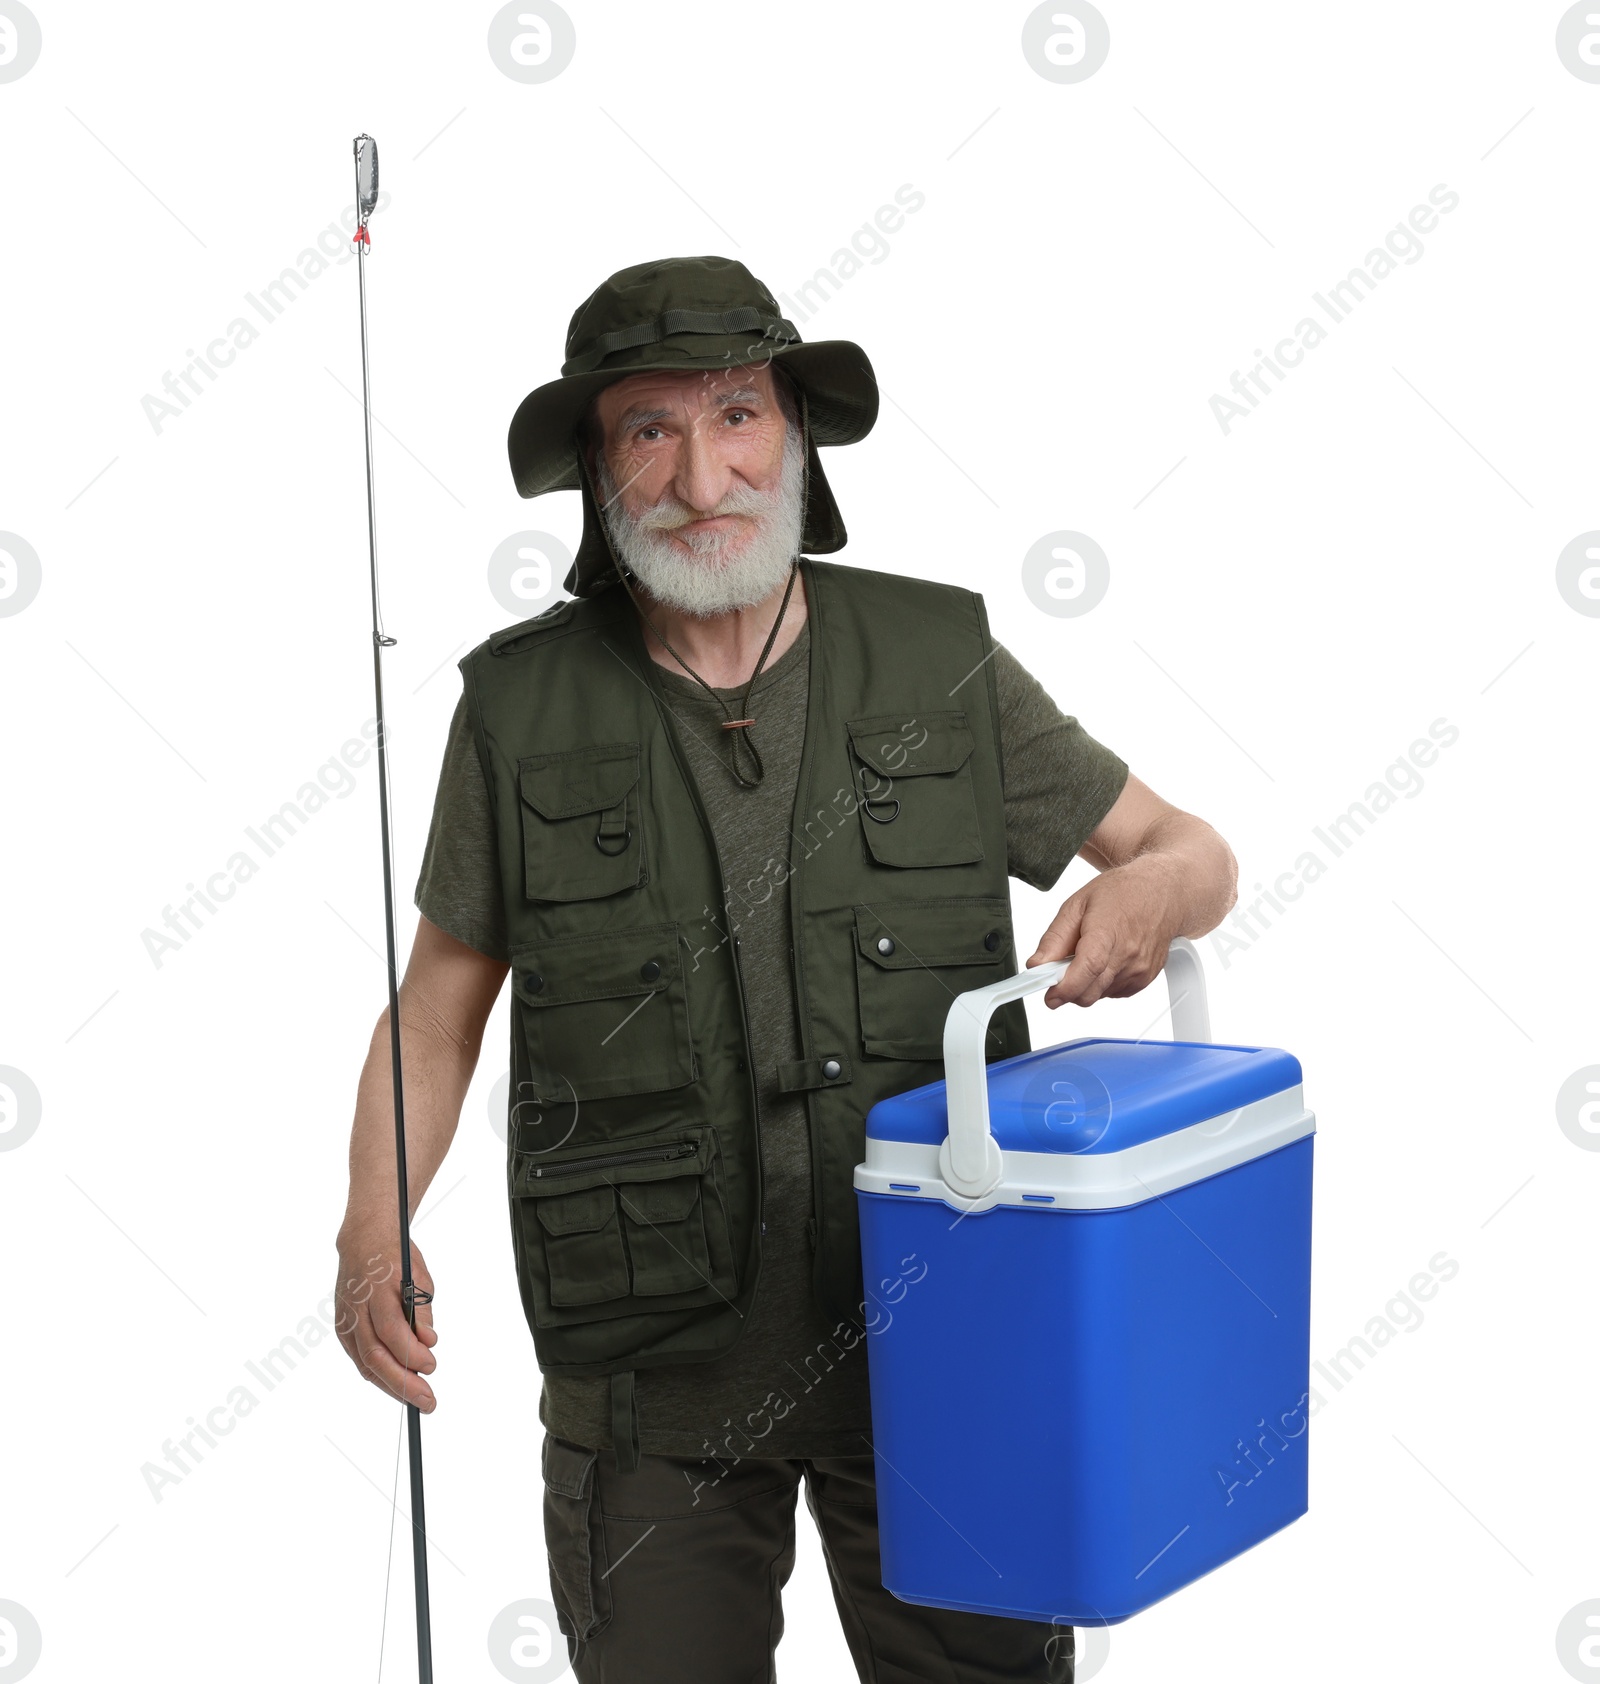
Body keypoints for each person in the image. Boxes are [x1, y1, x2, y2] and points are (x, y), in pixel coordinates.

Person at [334, 255, 1238, 1683]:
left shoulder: (938, 658)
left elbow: (1193, 851)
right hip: (651, 1393)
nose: (704, 476)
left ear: (796, 439)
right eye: (651, 429)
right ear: (597, 468)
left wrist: (1150, 890)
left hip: (949, 1356)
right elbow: (439, 1017)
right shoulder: (518, 708)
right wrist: (370, 1230)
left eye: (738, 416)